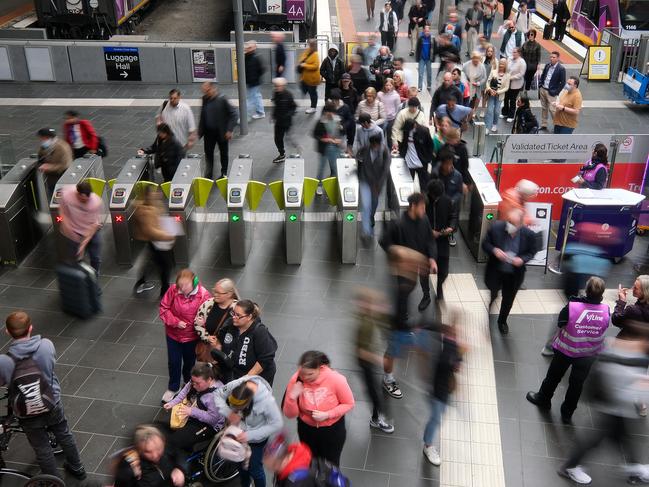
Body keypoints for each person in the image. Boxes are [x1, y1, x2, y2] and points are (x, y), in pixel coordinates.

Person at [0, 311, 86, 480]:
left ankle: (53, 481)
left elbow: (2, 382)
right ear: (31, 328)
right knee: (64, 433)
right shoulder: (46, 346)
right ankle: (78, 467)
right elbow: (51, 365)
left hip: (26, 411)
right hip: (51, 401)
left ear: (8, 332)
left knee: (41, 447)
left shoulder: (4, 361)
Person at [556, 329, 649, 484]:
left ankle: (634, 468)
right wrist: (641, 387)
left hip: (618, 408)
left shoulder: (634, 352)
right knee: (596, 438)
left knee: (622, 436)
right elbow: (616, 390)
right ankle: (570, 466)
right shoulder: (625, 356)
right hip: (611, 406)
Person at [526, 277, 610, 424]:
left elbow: (561, 323)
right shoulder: (605, 310)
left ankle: (544, 399)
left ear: (587, 290)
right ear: (602, 293)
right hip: (588, 355)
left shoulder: (573, 306)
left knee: (553, 377)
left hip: (566, 350)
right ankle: (567, 413)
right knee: (577, 384)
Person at [283, 351, 355, 466]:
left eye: (310, 374)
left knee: (331, 465)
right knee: (310, 462)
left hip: (332, 431)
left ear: (320, 368)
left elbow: (349, 403)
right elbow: (289, 414)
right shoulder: (296, 380)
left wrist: (327, 414)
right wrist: (292, 397)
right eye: (302, 374)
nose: (305, 378)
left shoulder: (336, 379)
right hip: (306, 430)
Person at [213, 375, 283, 487]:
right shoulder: (237, 385)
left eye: (239, 408)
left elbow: (277, 423)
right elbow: (217, 394)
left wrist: (250, 435)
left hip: (256, 441)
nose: (237, 411)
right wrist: (229, 412)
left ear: (248, 402)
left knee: (255, 471)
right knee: (241, 467)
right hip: (238, 434)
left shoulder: (266, 401)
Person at [482, 208, 538, 334]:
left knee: (508, 299)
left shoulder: (529, 235)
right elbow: (485, 244)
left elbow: (532, 252)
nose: (510, 225)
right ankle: (490, 305)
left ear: (521, 223)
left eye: (514, 223)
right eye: (509, 221)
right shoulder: (496, 227)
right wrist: (494, 250)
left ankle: (502, 321)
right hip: (496, 270)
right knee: (493, 292)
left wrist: (522, 259)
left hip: (514, 274)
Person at [159, 269, 211, 403]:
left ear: (194, 282)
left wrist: (203, 321)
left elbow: (210, 315)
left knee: (189, 364)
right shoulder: (173, 290)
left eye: (186, 285)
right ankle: (173, 387)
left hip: (191, 338)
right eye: (180, 285)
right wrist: (176, 322)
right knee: (174, 362)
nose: (182, 288)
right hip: (173, 335)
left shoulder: (204, 295)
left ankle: (188, 387)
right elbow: (163, 308)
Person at [422, 321, 463, 466]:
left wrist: (457, 361)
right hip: (438, 391)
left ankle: (428, 442)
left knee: (438, 417)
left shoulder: (453, 345)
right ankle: (428, 445)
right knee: (435, 419)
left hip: (444, 391)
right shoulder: (444, 349)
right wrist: (454, 363)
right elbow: (447, 364)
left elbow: (457, 362)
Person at [354, 289, 394, 433]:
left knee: (375, 391)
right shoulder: (364, 325)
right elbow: (361, 352)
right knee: (374, 394)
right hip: (366, 364)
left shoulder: (368, 317)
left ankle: (377, 416)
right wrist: (378, 359)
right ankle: (377, 420)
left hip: (369, 362)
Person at [213, 299, 278, 385]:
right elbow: (220, 341)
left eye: (238, 315)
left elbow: (264, 359)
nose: (234, 317)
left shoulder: (259, 331)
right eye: (233, 313)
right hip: (235, 373)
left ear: (249, 317)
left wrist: (246, 378)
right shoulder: (230, 324)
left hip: (256, 377)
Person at [163, 362, 225, 451]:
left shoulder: (215, 396)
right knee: (165, 426)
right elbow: (185, 391)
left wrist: (192, 412)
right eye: (192, 382)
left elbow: (213, 419)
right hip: (194, 411)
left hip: (209, 425)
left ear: (209, 380)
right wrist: (173, 403)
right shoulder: (195, 380)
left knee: (175, 440)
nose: (194, 385)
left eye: (197, 383)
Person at [132, 186, 175, 297]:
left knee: (153, 262)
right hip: (157, 241)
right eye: (154, 194)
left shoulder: (154, 204)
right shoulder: (146, 211)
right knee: (166, 266)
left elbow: (160, 219)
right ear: (147, 196)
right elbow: (150, 230)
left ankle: (141, 281)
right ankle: (164, 291)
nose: (158, 195)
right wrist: (167, 236)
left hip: (156, 241)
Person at [114, 425, 185, 487]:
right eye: (148, 452)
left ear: (163, 442)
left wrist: (179, 468)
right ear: (139, 450)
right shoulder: (130, 468)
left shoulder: (167, 445)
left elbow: (179, 453)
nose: (155, 455)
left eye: (158, 448)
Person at [58, 180, 103, 274]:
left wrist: (82, 245)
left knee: (95, 257)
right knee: (75, 259)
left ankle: (95, 275)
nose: (85, 202)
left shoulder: (95, 202)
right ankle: (79, 278)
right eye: (82, 200)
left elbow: (93, 226)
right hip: (73, 231)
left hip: (91, 232)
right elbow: (62, 211)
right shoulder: (67, 194)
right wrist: (68, 228)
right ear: (77, 193)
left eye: (87, 199)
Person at [194, 277, 240, 363]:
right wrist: (207, 337)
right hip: (209, 352)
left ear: (229, 294)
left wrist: (221, 345)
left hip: (229, 353)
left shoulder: (237, 309)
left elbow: (242, 331)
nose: (215, 294)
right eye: (214, 291)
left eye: (219, 293)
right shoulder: (208, 304)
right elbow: (197, 324)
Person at [426, 179, 458, 300]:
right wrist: (429, 231)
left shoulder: (447, 201)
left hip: (442, 239)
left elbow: (453, 217)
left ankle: (439, 287)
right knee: (424, 270)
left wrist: (451, 227)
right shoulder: (425, 201)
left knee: (444, 270)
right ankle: (426, 294)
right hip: (427, 240)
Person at [198, 81, 237, 179]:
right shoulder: (205, 99)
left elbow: (234, 114)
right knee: (208, 153)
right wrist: (199, 132)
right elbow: (203, 116)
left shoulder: (223, 99)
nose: (205, 93)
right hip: (208, 132)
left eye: (207, 90)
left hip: (222, 132)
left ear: (212, 88)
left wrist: (229, 130)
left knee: (223, 153)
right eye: (204, 91)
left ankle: (224, 172)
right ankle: (209, 172)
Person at [357, 133, 390, 239]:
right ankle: (366, 230)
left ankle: (371, 217)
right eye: (372, 144)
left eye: (375, 145)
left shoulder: (384, 152)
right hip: (365, 180)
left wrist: (378, 185)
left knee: (374, 204)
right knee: (366, 205)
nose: (373, 147)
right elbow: (358, 155)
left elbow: (385, 170)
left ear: (379, 143)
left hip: (376, 184)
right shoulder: (366, 148)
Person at [313, 101, 343, 195]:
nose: (329, 114)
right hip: (324, 148)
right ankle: (319, 185)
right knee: (322, 167)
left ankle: (333, 183)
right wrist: (323, 139)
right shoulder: (321, 121)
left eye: (331, 111)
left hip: (335, 147)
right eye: (327, 111)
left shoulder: (338, 120)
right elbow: (315, 134)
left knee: (335, 167)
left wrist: (339, 140)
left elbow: (341, 132)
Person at [398, 118, 434, 191]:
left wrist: (428, 159)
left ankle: (424, 200)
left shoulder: (424, 131)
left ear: (414, 125)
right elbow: (404, 143)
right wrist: (401, 153)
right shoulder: (406, 131)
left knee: (423, 185)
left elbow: (430, 145)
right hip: (409, 162)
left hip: (421, 162)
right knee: (408, 184)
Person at [36, 127, 72, 198]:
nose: (42, 140)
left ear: (49, 137)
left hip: (61, 179)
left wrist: (49, 167)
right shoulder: (44, 147)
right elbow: (40, 158)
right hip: (50, 179)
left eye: (43, 138)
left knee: (60, 199)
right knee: (52, 196)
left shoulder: (62, 148)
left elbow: (65, 165)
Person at [271, 77, 297, 165]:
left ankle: (295, 148)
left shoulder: (288, 95)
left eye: (278, 86)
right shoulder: (275, 93)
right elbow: (276, 106)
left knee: (287, 137)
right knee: (277, 139)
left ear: (283, 86)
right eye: (276, 86)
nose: (277, 88)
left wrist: (288, 115)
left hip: (286, 121)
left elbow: (294, 107)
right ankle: (282, 154)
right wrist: (273, 115)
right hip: (278, 121)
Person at [539, 51, 566, 131]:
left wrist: (556, 92)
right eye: (551, 57)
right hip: (543, 89)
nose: (551, 58)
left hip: (552, 92)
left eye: (554, 57)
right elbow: (543, 75)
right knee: (544, 108)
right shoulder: (547, 65)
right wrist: (541, 84)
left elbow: (563, 82)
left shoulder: (561, 69)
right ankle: (544, 124)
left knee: (552, 110)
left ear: (558, 58)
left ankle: (557, 125)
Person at [484, 58, 511, 132]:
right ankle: (487, 127)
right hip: (491, 94)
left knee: (496, 111)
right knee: (489, 110)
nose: (501, 65)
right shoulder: (493, 72)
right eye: (500, 63)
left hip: (499, 96)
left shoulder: (508, 75)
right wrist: (489, 89)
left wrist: (497, 92)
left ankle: (494, 124)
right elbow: (488, 82)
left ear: (505, 65)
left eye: (503, 64)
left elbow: (506, 87)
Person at [503, 47, 526, 122]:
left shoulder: (522, 62)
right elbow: (505, 68)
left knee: (512, 99)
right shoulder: (509, 58)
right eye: (513, 52)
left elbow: (521, 74)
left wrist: (511, 77)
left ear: (519, 53)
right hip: (507, 82)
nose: (513, 54)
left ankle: (511, 115)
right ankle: (505, 113)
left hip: (516, 84)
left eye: (515, 52)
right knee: (506, 98)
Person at [244, 41, 266, 120]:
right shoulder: (246, 56)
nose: (247, 48)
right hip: (251, 81)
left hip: (254, 81)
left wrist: (255, 77)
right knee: (257, 96)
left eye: (249, 47)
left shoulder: (256, 57)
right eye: (247, 47)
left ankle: (245, 117)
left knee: (251, 99)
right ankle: (261, 112)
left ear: (254, 48)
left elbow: (262, 69)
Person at [330, 89, 356, 154]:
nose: (334, 102)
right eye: (332, 100)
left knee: (341, 149)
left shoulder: (345, 107)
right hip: (331, 131)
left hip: (341, 132)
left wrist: (342, 126)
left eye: (336, 100)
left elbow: (350, 120)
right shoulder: (328, 106)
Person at [298, 39, 320, 114]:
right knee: (304, 87)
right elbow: (302, 58)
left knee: (313, 92)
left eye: (310, 45)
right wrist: (301, 62)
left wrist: (305, 65)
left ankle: (313, 107)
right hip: (305, 77)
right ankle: (304, 95)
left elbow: (316, 66)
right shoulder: (307, 51)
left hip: (312, 78)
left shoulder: (316, 54)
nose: (309, 46)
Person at [378, 78, 401, 147]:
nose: (388, 87)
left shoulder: (396, 96)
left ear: (393, 86)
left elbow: (398, 108)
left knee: (389, 136)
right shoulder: (380, 94)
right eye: (386, 85)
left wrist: (396, 117)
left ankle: (390, 149)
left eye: (390, 85)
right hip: (382, 118)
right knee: (381, 134)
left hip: (392, 118)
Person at [478, 44, 498, 118]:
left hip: (488, 82)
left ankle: (483, 110)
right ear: (486, 52)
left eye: (491, 51)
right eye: (488, 51)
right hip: (481, 80)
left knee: (485, 97)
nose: (489, 52)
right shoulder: (482, 58)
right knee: (478, 96)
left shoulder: (495, 61)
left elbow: (496, 71)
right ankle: (474, 109)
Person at [415, 25, 436, 93]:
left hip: (428, 59)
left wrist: (433, 58)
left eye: (428, 31)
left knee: (429, 73)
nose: (427, 32)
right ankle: (420, 87)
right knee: (420, 73)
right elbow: (417, 49)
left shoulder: (432, 39)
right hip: (422, 58)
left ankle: (429, 85)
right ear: (424, 31)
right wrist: (417, 58)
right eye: (426, 31)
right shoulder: (421, 38)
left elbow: (434, 49)